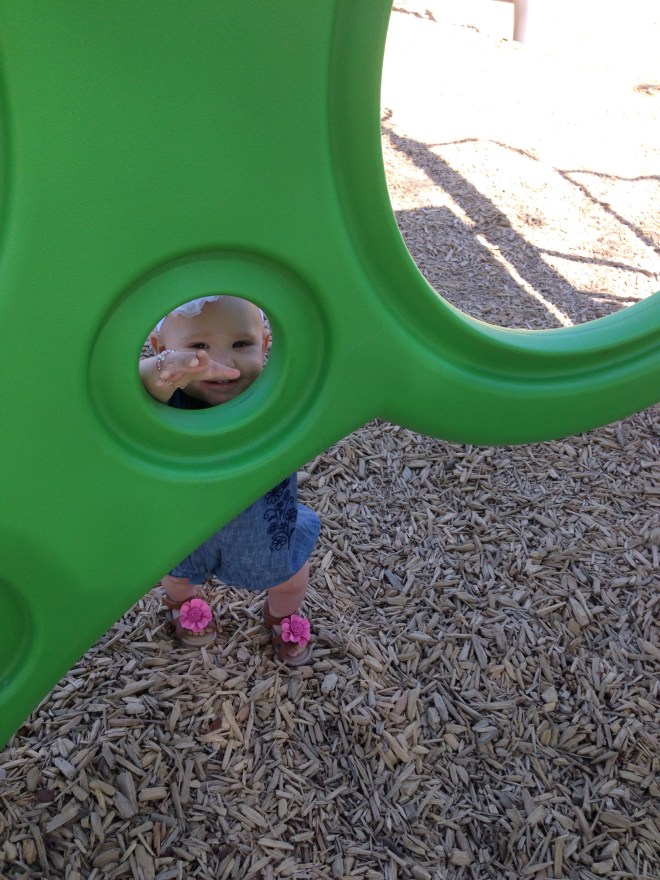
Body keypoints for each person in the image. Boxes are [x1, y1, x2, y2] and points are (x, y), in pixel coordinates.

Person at [140, 295, 319, 665]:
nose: (221, 362)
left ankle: (281, 615)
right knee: (177, 574)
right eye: (198, 347)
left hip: (262, 526)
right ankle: (183, 604)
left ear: (266, 344)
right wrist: (166, 368)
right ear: (160, 348)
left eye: (241, 344)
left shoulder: (276, 390)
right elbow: (135, 383)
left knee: (291, 577)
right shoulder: (167, 394)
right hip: (185, 526)